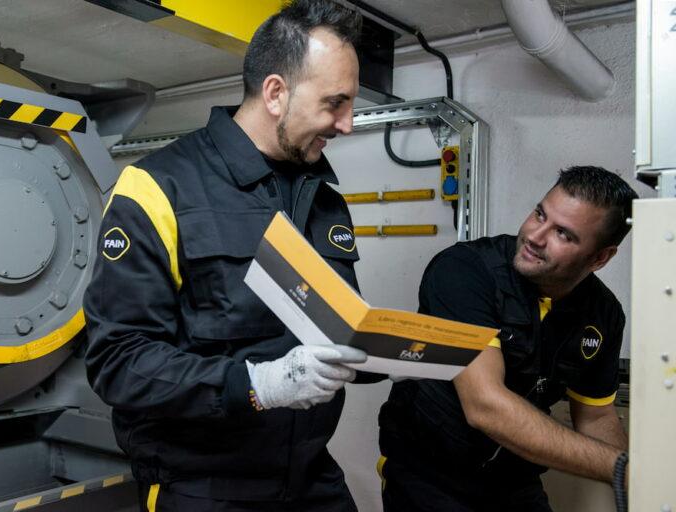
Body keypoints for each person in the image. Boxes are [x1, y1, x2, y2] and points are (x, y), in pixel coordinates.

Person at [83, 1, 368, 511]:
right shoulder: (158, 187)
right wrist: (257, 385)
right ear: (275, 93)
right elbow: (119, 361)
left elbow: (336, 323)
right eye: (335, 104)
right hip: (205, 488)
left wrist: (392, 350)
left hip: (312, 480)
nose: (347, 124)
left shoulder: (324, 197)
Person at [379, 166, 638, 511]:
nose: (535, 236)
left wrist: (639, 484)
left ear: (600, 257)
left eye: (563, 233)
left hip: (513, 479)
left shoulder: (604, 314)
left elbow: (596, 417)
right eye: (540, 214)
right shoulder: (466, 270)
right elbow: (485, 406)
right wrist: (622, 468)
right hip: (429, 475)